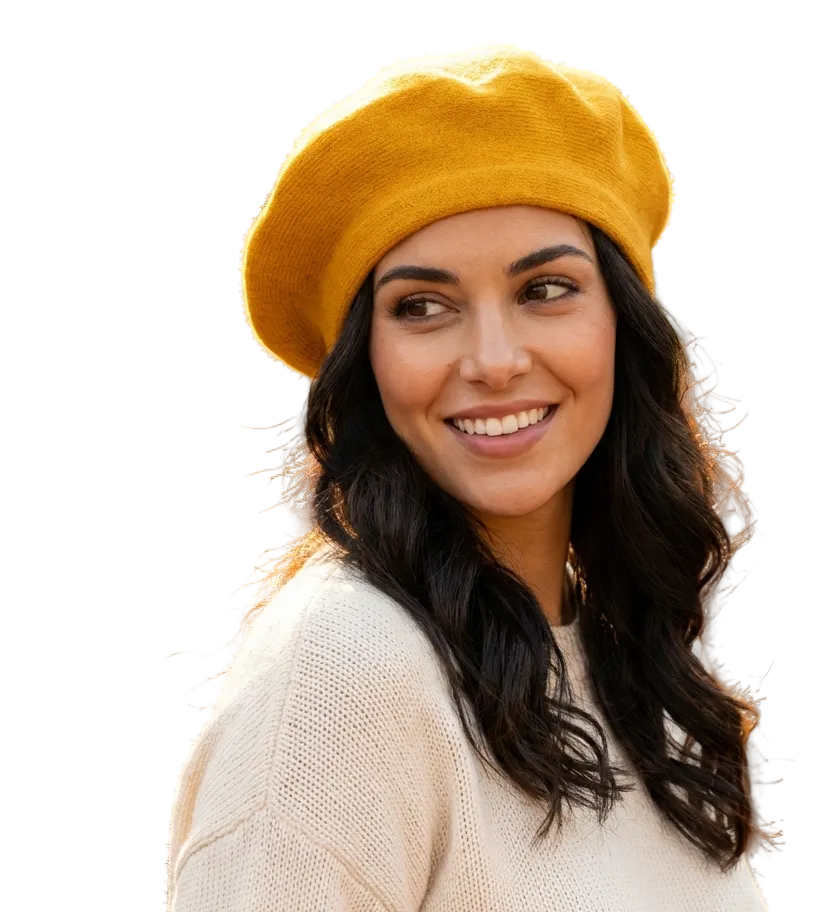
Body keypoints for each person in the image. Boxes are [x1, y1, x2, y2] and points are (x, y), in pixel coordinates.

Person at [166, 44, 779, 911]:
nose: (494, 361)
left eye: (546, 289)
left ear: (621, 325)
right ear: (364, 364)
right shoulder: (344, 670)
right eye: (422, 307)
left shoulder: (629, 675)